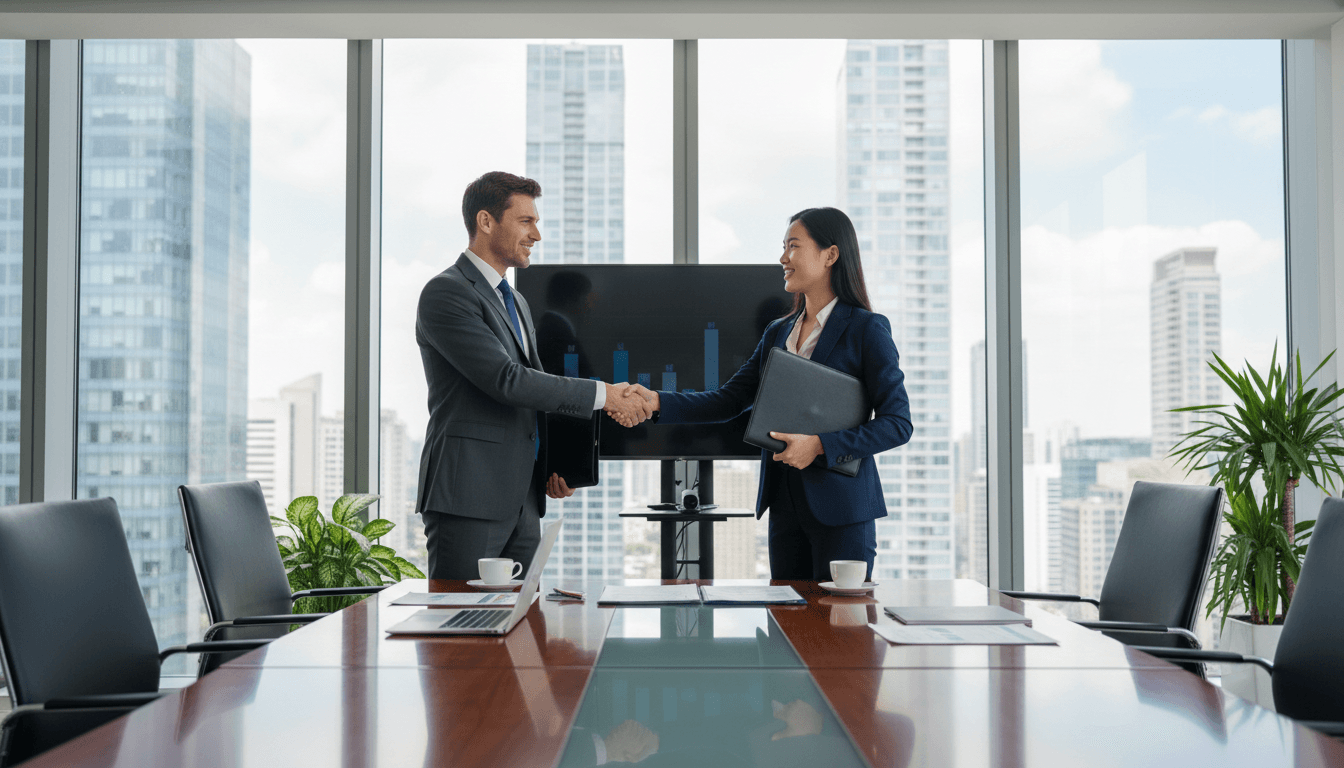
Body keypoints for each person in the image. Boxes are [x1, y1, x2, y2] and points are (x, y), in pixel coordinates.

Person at [624, 207, 912, 581]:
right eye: (783, 247)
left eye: (793, 246)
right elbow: (728, 399)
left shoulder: (866, 329)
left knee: (840, 632)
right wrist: (657, 401)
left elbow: (897, 424)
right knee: (788, 630)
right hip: (784, 507)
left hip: (842, 514)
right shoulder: (779, 331)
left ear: (830, 255)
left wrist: (819, 444)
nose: (783, 258)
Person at [414, 171, 654, 580]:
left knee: (521, 628)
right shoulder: (447, 292)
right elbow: (507, 380)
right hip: (469, 495)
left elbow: (534, 394)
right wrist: (607, 395)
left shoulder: (517, 302)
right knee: (461, 629)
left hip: (522, 499)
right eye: (526, 222)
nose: (536, 235)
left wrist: (552, 466)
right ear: (486, 221)